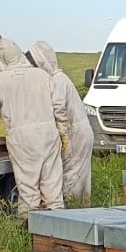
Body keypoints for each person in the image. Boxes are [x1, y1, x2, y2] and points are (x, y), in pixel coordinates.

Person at [0, 37, 63, 215]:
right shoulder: (42, 75)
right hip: (49, 133)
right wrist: (63, 132)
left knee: (28, 187)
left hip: (22, 139)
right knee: (52, 184)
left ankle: (30, 225)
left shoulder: (0, 80)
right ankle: (58, 223)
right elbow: (60, 107)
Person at [28, 40, 94, 203]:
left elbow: (57, 112)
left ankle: (72, 210)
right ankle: (82, 207)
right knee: (79, 175)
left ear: (42, 61)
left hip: (75, 134)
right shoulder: (58, 78)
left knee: (72, 175)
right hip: (79, 132)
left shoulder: (57, 81)